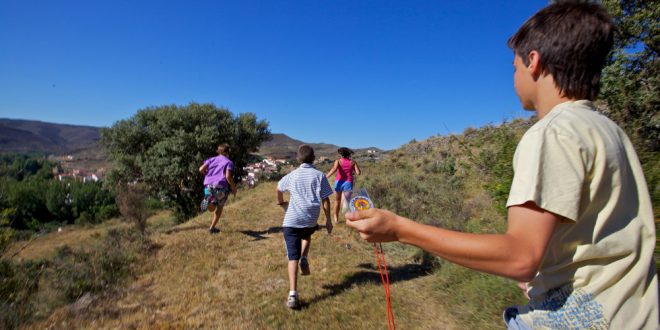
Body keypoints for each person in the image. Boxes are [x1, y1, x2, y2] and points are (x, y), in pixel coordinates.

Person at [345, 2, 658, 329]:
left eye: (514, 67)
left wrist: (399, 229)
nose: (514, 77)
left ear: (533, 61)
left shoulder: (552, 133)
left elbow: (520, 257)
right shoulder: (608, 131)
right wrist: (545, 274)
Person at [276, 145, 333, 309]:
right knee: (307, 234)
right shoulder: (320, 175)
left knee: (292, 258)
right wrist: (328, 220)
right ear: (314, 158)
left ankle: (293, 294)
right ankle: (305, 257)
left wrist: (281, 202)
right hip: (310, 219)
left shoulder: (293, 175)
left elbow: (278, 188)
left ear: (298, 158)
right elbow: (326, 199)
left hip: (292, 221)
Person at [199, 143, 237, 234]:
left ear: (218, 151)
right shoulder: (229, 162)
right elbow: (228, 177)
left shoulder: (211, 159)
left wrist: (207, 175)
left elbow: (200, 169)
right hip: (221, 187)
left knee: (211, 208)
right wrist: (233, 187)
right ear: (228, 152)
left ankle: (208, 200)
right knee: (219, 207)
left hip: (208, 186)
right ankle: (212, 228)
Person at [326, 147, 361, 223]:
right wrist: (352, 169)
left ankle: (336, 218)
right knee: (346, 202)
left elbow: (334, 169)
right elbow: (358, 173)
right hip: (348, 182)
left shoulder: (338, 161)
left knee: (337, 200)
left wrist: (326, 176)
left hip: (338, 182)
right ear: (348, 154)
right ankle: (348, 219)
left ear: (341, 154)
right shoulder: (352, 162)